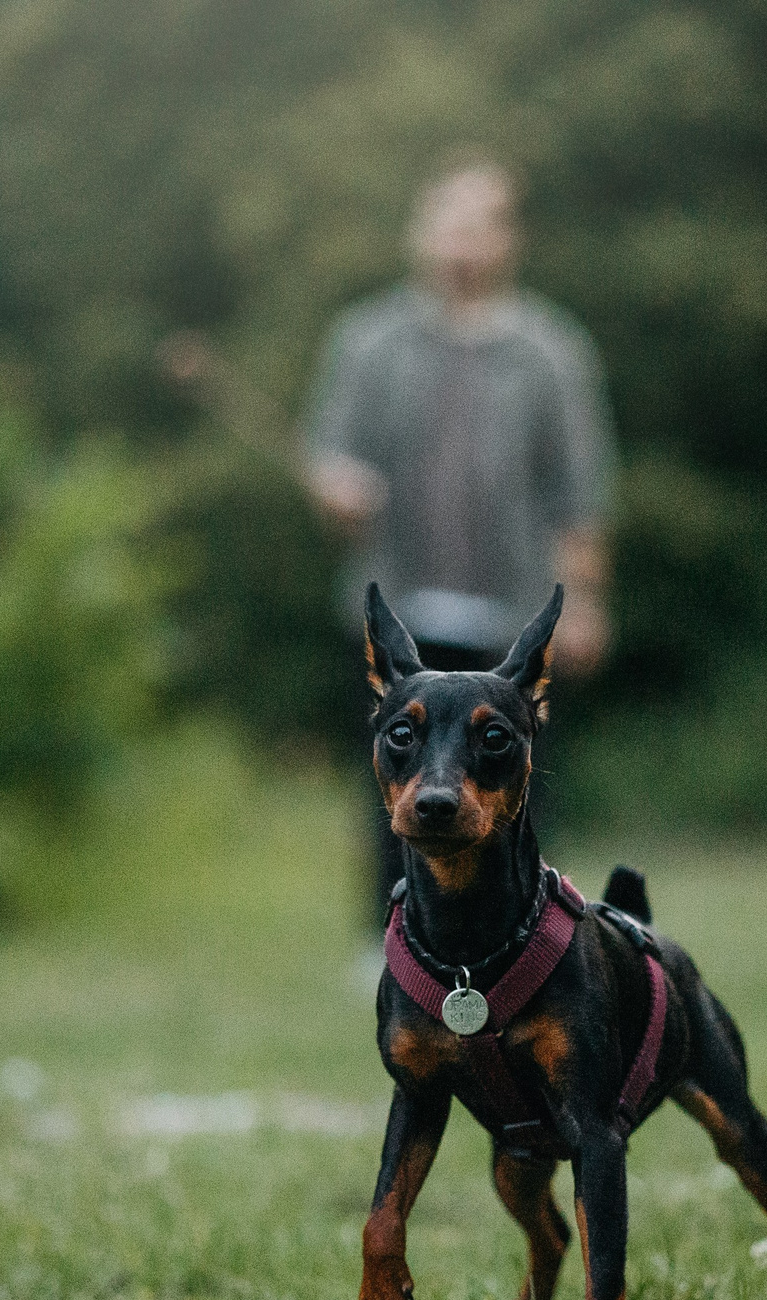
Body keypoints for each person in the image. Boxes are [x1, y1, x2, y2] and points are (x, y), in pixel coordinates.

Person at [305, 154, 617, 921]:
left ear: (509, 238)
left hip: (513, 616)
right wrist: (335, 489)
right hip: (400, 610)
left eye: (481, 225)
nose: (462, 241)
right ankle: (390, 935)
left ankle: (528, 934)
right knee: (397, 774)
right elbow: (329, 461)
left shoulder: (551, 350)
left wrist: (585, 603)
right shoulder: (367, 341)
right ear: (421, 230)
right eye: (449, 221)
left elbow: (579, 493)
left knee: (520, 788)